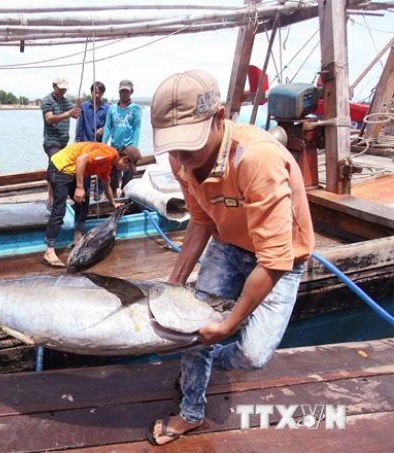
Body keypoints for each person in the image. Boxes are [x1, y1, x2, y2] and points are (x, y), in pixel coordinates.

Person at [147, 70, 315, 446]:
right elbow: (202, 219)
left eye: (188, 144)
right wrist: (173, 286)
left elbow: (273, 261)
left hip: (280, 257)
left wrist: (225, 327)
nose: (180, 158)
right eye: (172, 147)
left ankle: (205, 361)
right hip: (227, 244)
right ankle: (191, 411)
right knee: (192, 333)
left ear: (219, 118)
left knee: (253, 355)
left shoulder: (256, 159)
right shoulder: (182, 162)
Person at [41, 142, 140, 267]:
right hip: (60, 167)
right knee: (59, 210)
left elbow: (105, 184)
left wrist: (113, 203)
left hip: (69, 171)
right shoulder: (108, 154)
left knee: (83, 202)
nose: (126, 169)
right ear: (125, 159)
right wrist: (79, 187)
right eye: (127, 166)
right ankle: (49, 251)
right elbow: (81, 159)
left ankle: (77, 238)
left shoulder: (108, 164)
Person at [41, 76, 81, 208]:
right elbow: (50, 119)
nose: (63, 92)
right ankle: (53, 197)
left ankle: (60, 196)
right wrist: (67, 114)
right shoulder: (46, 100)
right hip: (51, 141)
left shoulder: (66, 101)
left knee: (57, 167)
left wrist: (78, 106)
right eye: (60, 89)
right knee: (57, 165)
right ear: (54, 86)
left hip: (64, 142)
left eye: (65, 89)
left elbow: (76, 114)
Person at [102, 79, 142, 196]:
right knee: (112, 177)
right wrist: (103, 144)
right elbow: (108, 127)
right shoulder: (112, 108)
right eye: (122, 91)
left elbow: (137, 129)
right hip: (115, 147)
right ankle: (114, 200)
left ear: (131, 92)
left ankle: (124, 197)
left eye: (126, 91)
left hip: (128, 147)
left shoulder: (135, 109)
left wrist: (134, 148)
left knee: (128, 178)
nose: (123, 94)